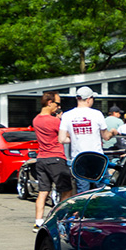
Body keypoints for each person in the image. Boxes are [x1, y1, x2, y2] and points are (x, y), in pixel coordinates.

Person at [58, 86, 116, 193]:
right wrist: (113, 132)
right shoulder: (97, 114)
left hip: (79, 158)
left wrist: (75, 138)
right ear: (89, 99)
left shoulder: (67, 115)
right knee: (102, 189)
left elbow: (61, 139)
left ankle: (84, 209)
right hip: (96, 157)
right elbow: (106, 137)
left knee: (83, 191)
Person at [31, 92, 71, 229]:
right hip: (56, 158)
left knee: (43, 191)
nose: (58, 107)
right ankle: (59, 220)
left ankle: (38, 222)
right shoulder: (54, 121)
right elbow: (66, 136)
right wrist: (60, 121)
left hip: (41, 158)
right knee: (66, 191)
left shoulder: (36, 119)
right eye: (57, 103)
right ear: (49, 103)